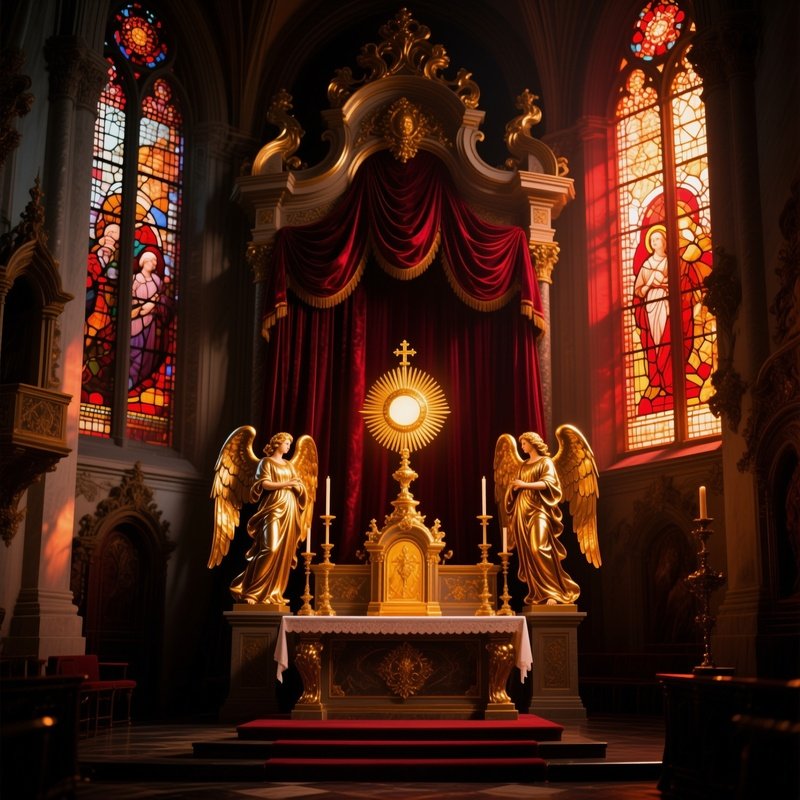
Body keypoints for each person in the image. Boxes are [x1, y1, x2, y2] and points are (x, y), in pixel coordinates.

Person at [230, 432, 310, 605]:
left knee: (283, 553)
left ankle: (274, 592)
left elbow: (300, 487)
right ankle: (252, 591)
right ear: (277, 443)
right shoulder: (266, 462)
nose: (288, 446)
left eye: (290, 444)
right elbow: (264, 484)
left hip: (289, 510)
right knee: (270, 548)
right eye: (286, 443)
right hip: (273, 507)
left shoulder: (289, 465)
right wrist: (288, 484)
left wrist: (299, 488)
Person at [504, 432, 580, 606]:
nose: (522, 446)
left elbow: (549, 484)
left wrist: (524, 485)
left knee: (538, 547)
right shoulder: (523, 465)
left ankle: (554, 591)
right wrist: (512, 489)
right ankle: (540, 593)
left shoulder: (546, 462)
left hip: (539, 510)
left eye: (524, 443)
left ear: (533, 443)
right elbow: (515, 486)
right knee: (529, 553)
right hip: (522, 511)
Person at [130, 246, 173, 392]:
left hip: (151, 324)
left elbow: (162, 299)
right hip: (135, 322)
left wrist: (157, 302)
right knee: (133, 349)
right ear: (144, 262)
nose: (154, 264)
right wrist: (143, 307)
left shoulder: (157, 281)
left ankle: (135, 380)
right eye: (151, 261)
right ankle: (129, 378)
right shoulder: (135, 279)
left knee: (146, 354)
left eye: (155, 262)